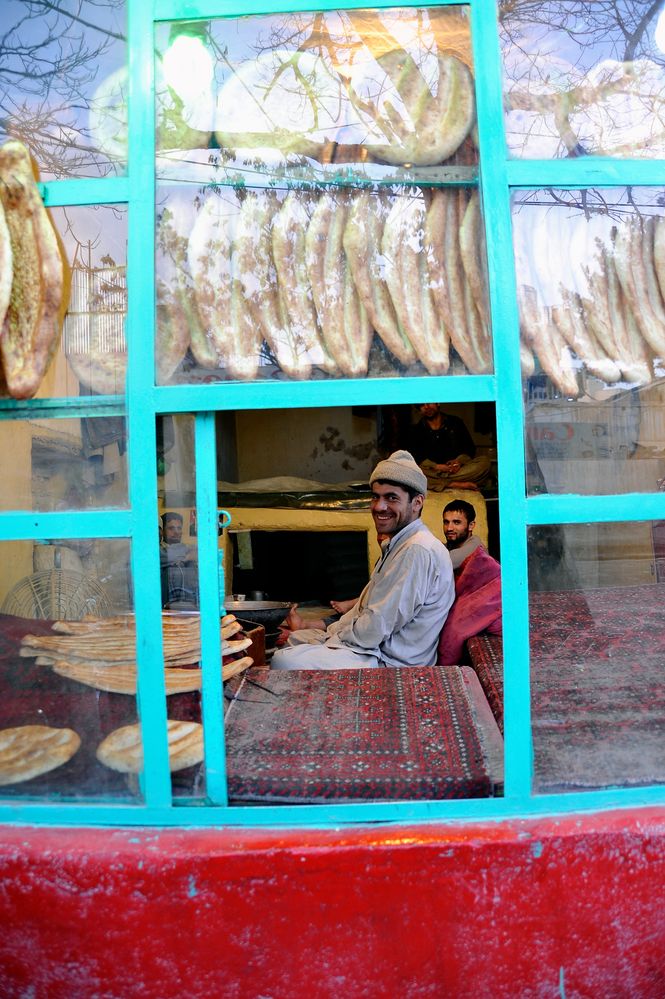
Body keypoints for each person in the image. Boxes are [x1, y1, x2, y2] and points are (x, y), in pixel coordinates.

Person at [272, 450, 455, 670]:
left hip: (388, 661)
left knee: (283, 660)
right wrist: (330, 633)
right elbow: (366, 611)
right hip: (369, 647)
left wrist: (333, 640)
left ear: (417, 503)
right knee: (294, 640)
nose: (379, 506)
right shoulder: (399, 543)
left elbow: (376, 627)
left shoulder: (417, 550)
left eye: (391, 498)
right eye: (375, 496)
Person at [408, 403, 490, 492]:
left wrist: (458, 462)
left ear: (438, 403)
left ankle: (440, 483)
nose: (426, 407)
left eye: (429, 402)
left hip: (457, 471)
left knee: (485, 462)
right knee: (410, 472)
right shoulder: (417, 429)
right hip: (433, 471)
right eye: (422, 405)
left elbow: (469, 448)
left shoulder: (455, 422)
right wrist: (436, 466)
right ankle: (454, 484)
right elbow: (416, 456)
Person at [160, 511, 199, 607]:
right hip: (166, 607)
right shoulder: (159, 552)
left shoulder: (187, 549)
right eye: (171, 528)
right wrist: (188, 557)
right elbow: (170, 555)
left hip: (190, 605)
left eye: (179, 528)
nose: (176, 532)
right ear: (162, 531)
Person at [442, 499, 484, 570]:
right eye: (446, 522)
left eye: (456, 522)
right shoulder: (451, 545)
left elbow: (442, 563)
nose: (449, 528)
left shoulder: (476, 547)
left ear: (471, 525)